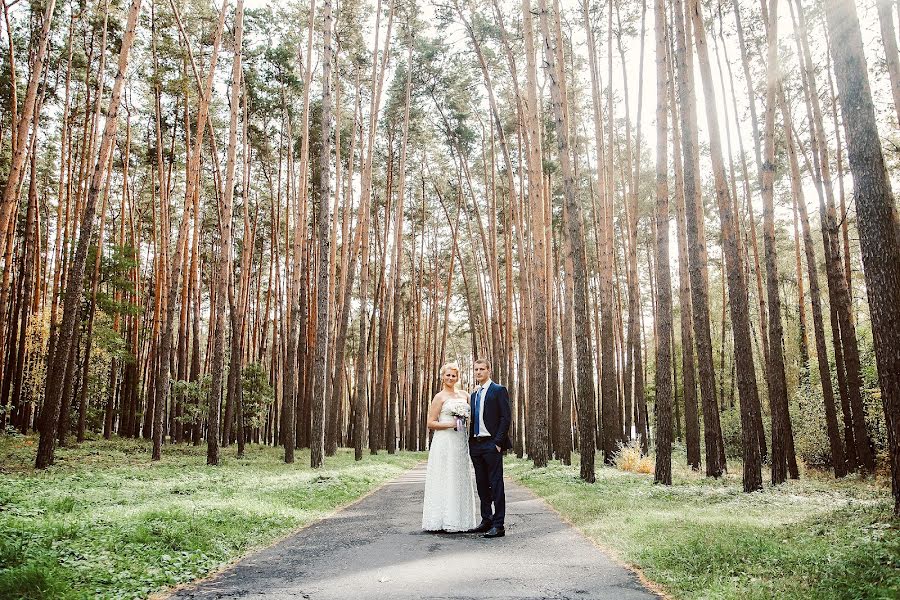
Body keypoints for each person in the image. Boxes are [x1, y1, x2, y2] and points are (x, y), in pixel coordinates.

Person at [421, 362, 477, 533]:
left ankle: (460, 519)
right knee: (444, 475)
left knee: (458, 476)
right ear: (442, 376)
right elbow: (430, 423)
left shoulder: (465, 395)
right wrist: (450, 424)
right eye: (448, 375)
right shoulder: (439, 397)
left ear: (458, 377)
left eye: (454, 375)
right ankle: (440, 519)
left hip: (460, 441)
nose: (451, 378)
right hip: (444, 441)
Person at [468, 358, 512, 538]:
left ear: (489, 370)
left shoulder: (498, 390)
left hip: (491, 444)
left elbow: (505, 417)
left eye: (482, 369)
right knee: (481, 484)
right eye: (476, 369)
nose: (478, 372)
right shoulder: (474, 395)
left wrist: (498, 442)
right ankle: (486, 520)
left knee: (496, 485)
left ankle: (498, 525)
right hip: (476, 445)